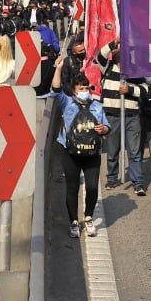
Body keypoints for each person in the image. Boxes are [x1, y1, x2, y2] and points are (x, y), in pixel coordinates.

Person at [50, 57, 108, 238]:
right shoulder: (67, 102)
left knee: (92, 188)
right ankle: (74, 221)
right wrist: (58, 68)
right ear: (74, 91)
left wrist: (102, 129)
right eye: (80, 89)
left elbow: (106, 127)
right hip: (70, 153)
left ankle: (88, 217)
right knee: (72, 187)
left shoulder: (97, 106)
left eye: (86, 88)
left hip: (92, 153)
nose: (84, 91)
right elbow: (55, 89)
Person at [98, 42, 145, 195]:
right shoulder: (107, 68)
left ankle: (137, 182)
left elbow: (145, 89)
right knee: (112, 150)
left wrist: (130, 90)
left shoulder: (135, 70)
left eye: (122, 54)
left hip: (132, 117)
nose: (120, 57)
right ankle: (112, 178)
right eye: (117, 54)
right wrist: (115, 41)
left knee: (134, 151)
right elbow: (101, 55)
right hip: (112, 117)